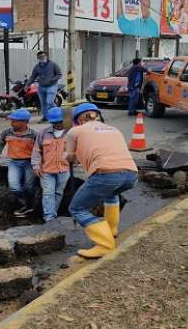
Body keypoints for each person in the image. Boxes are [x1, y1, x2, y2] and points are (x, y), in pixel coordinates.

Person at [66, 103, 138, 259]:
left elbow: (70, 157)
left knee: (77, 208)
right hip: (131, 174)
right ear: (98, 115)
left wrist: (70, 157)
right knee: (110, 195)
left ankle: (105, 244)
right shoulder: (113, 129)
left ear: (78, 119)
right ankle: (112, 230)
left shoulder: (75, 131)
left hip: (106, 174)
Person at [0, 108, 37, 217]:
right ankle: (24, 204)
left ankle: (30, 205)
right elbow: (0, 143)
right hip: (14, 163)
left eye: (14, 121)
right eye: (11, 120)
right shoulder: (7, 132)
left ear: (24, 122)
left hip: (30, 163)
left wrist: (40, 163)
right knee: (14, 186)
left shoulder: (33, 134)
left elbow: (40, 150)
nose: (11, 123)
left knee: (29, 186)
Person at [31, 107, 70, 222]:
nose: (58, 124)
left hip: (64, 169)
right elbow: (36, 150)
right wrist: (36, 165)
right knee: (48, 193)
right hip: (46, 170)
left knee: (58, 192)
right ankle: (49, 218)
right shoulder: (43, 133)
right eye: (55, 122)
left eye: (60, 122)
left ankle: (53, 215)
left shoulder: (71, 133)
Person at [26, 51, 62, 123]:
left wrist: (51, 80)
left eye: (43, 56)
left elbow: (59, 74)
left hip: (51, 86)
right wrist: (27, 85)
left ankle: (59, 114)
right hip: (41, 87)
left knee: (49, 102)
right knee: (43, 103)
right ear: (38, 58)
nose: (42, 58)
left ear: (46, 56)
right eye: (40, 57)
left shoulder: (53, 64)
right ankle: (45, 117)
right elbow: (33, 77)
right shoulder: (37, 67)